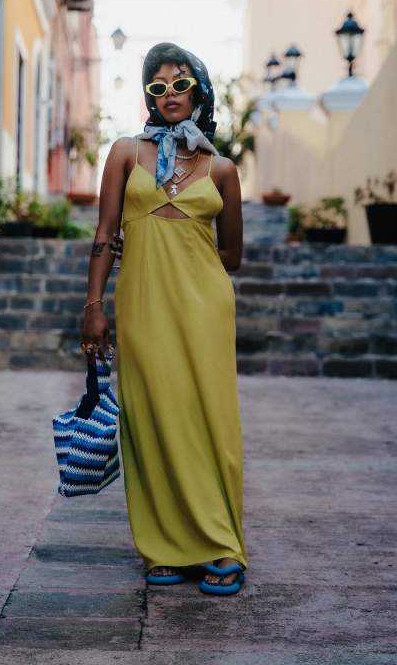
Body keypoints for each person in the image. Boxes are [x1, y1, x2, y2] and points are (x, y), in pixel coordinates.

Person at [80, 42, 248, 595]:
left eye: (180, 84)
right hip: (144, 303)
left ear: (197, 89)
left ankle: (221, 543)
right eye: (158, 87)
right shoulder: (126, 153)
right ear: (148, 97)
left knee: (208, 418)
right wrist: (94, 307)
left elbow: (231, 256)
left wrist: (183, 258)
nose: (170, 94)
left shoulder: (222, 169)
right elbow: (105, 235)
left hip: (204, 305)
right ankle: (165, 545)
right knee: (150, 414)